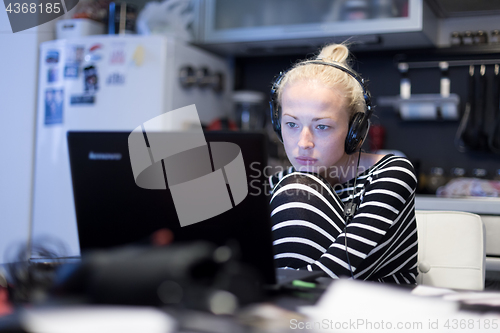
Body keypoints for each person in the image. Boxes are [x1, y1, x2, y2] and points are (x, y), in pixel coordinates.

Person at [268, 43, 418, 284]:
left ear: (355, 131)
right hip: (300, 313)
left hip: (379, 309)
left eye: (322, 126)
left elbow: (333, 271)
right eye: (292, 124)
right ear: (278, 125)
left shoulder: (392, 173)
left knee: (298, 189)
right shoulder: (278, 183)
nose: (304, 142)